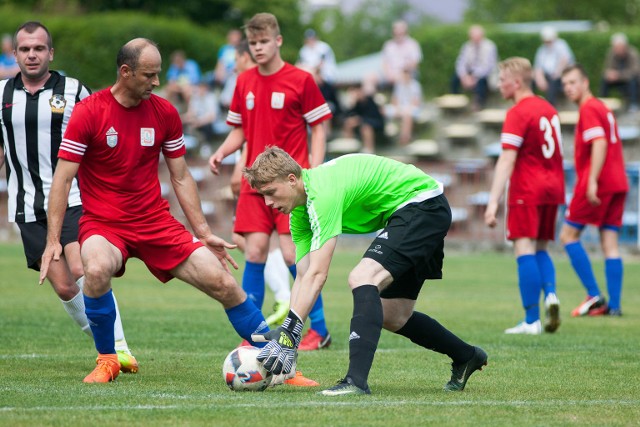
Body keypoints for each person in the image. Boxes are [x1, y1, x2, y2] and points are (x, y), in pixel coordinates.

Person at [39, 37, 315, 386]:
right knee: (94, 270)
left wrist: (202, 232)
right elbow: (62, 180)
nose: (157, 82)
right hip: (104, 225)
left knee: (223, 282)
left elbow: (181, 176)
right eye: (149, 75)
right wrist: (52, 240)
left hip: (155, 222)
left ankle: (283, 367)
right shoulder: (89, 112)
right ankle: (108, 359)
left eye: (158, 74)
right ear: (125, 72)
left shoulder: (164, 112)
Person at [245, 146, 488, 396]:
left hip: (421, 205)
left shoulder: (321, 194)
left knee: (363, 277)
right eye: (263, 196)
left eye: (271, 193)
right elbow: (304, 275)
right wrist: (289, 335)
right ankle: (466, 356)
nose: (268, 203)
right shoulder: (300, 211)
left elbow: (318, 275)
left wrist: (288, 335)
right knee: (392, 315)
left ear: (292, 179)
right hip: (414, 211)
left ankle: (356, 381)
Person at [0, 21, 138, 373]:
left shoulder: (75, 90)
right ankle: (105, 347)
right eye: (25, 49)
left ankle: (118, 348)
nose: (32, 55)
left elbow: (102, 132)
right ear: (15, 53)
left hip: (75, 196)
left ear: (51, 53)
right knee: (63, 286)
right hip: (27, 203)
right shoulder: (2, 95)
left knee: (82, 267)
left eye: (39, 48)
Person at [208, 13, 333, 352]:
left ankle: (318, 330)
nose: (259, 48)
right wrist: (222, 153)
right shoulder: (244, 80)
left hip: (290, 185)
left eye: (264, 42)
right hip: (254, 182)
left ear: (278, 41)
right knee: (256, 251)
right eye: (253, 43)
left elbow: (319, 126)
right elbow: (240, 129)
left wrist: (315, 168)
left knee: (294, 254)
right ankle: (253, 333)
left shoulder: (301, 79)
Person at [484, 57, 565, 335]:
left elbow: (507, 159)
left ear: (516, 82)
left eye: (502, 79)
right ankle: (551, 295)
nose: (498, 84)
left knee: (524, 248)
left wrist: (493, 201)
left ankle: (531, 320)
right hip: (553, 186)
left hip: (527, 188)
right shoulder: (549, 108)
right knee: (541, 248)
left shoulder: (518, 112)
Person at [560, 64, 629, 317]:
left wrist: (591, 181)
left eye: (573, 82)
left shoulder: (589, 108)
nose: (569, 88)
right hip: (618, 181)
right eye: (565, 84)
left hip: (598, 182)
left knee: (568, 235)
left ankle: (594, 295)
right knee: (609, 242)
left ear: (585, 82)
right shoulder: (602, 106)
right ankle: (615, 306)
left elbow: (599, 142)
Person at [451, 24, 498, 111]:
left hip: (486, 73)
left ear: (482, 36)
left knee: (481, 81)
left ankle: (479, 103)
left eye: (477, 36)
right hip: (470, 71)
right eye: (473, 36)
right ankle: (456, 102)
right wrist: (463, 76)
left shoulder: (490, 46)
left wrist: (474, 77)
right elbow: (461, 62)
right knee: (454, 79)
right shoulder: (467, 46)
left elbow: (487, 67)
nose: (475, 39)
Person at [342, 75, 385, 153]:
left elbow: (374, 117)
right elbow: (346, 115)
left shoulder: (370, 101)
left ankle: (369, 150)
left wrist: (359, 120)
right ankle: (349, 147)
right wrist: (352, 104)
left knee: (366, 127)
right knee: (348, 123)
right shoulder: (356, 104)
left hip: (375, 125)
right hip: (361, 125)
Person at [533, 26, 575, 106]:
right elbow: (538, 68)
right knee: (531, 81)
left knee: (553, 81)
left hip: (560, 76)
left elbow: (564, 60)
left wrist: (556, 73)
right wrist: (540, 79)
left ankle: (550, 105)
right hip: (548, 76)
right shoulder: (541, 50)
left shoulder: (561, 45)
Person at [600, 32, 640, 112]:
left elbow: (635, 71)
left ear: (625, 46)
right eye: (615, 47)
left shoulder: (633, 53)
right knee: (604, 79)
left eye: (619, 47)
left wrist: (619, 75)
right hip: (617, 79)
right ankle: (602, 102)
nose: (617, 50)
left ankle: (634, 104)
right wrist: (609, 74)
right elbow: (607, 68)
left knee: (633, 81)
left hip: (629, 80)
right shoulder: (611, 53)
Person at [386, 67, 423, 146]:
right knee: (385, 110)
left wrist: (405, 109)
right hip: (401, 107)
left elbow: (416, 102)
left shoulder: (415, 85)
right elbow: (394, 99)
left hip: (412, 107)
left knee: (407, 115)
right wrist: (397, 108)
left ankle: (405, 137)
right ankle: (386, 135)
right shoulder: (399, 85)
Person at [381, 20, 423, 86]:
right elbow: (385, 63)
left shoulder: (413, 44)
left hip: (406, 73)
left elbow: (415, 63)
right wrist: (389, 74)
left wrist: (401, 72)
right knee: (370, 78)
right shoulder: (388, 45)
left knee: (402, 78)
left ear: (406, 32)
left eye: (401, 32)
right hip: (390, 75)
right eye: (397, 32)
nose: (398, 34)